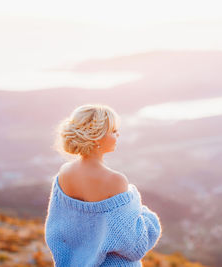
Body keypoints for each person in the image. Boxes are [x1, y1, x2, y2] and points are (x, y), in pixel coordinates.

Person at [44, 103, 162, 267]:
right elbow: (136, 246)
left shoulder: (64, 173)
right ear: (96, 136)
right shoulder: (115, 180)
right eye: (113, 131)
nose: (118, 135)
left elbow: (58, 232)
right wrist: (145, 214)